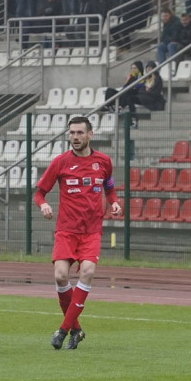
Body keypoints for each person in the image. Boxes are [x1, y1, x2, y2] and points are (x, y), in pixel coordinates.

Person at [33, 117, 120, 350]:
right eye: (72, 133)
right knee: (61, 277)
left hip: (91, 231)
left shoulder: (103, 161)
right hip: (66, 230)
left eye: (80, 133)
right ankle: (76, 330)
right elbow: (39, 193)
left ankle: (62, 330)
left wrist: (114, 202)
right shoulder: (60, 162)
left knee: (88, 272)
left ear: (90, 134)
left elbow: (109, 187)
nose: (75, 137)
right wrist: (43, 204)